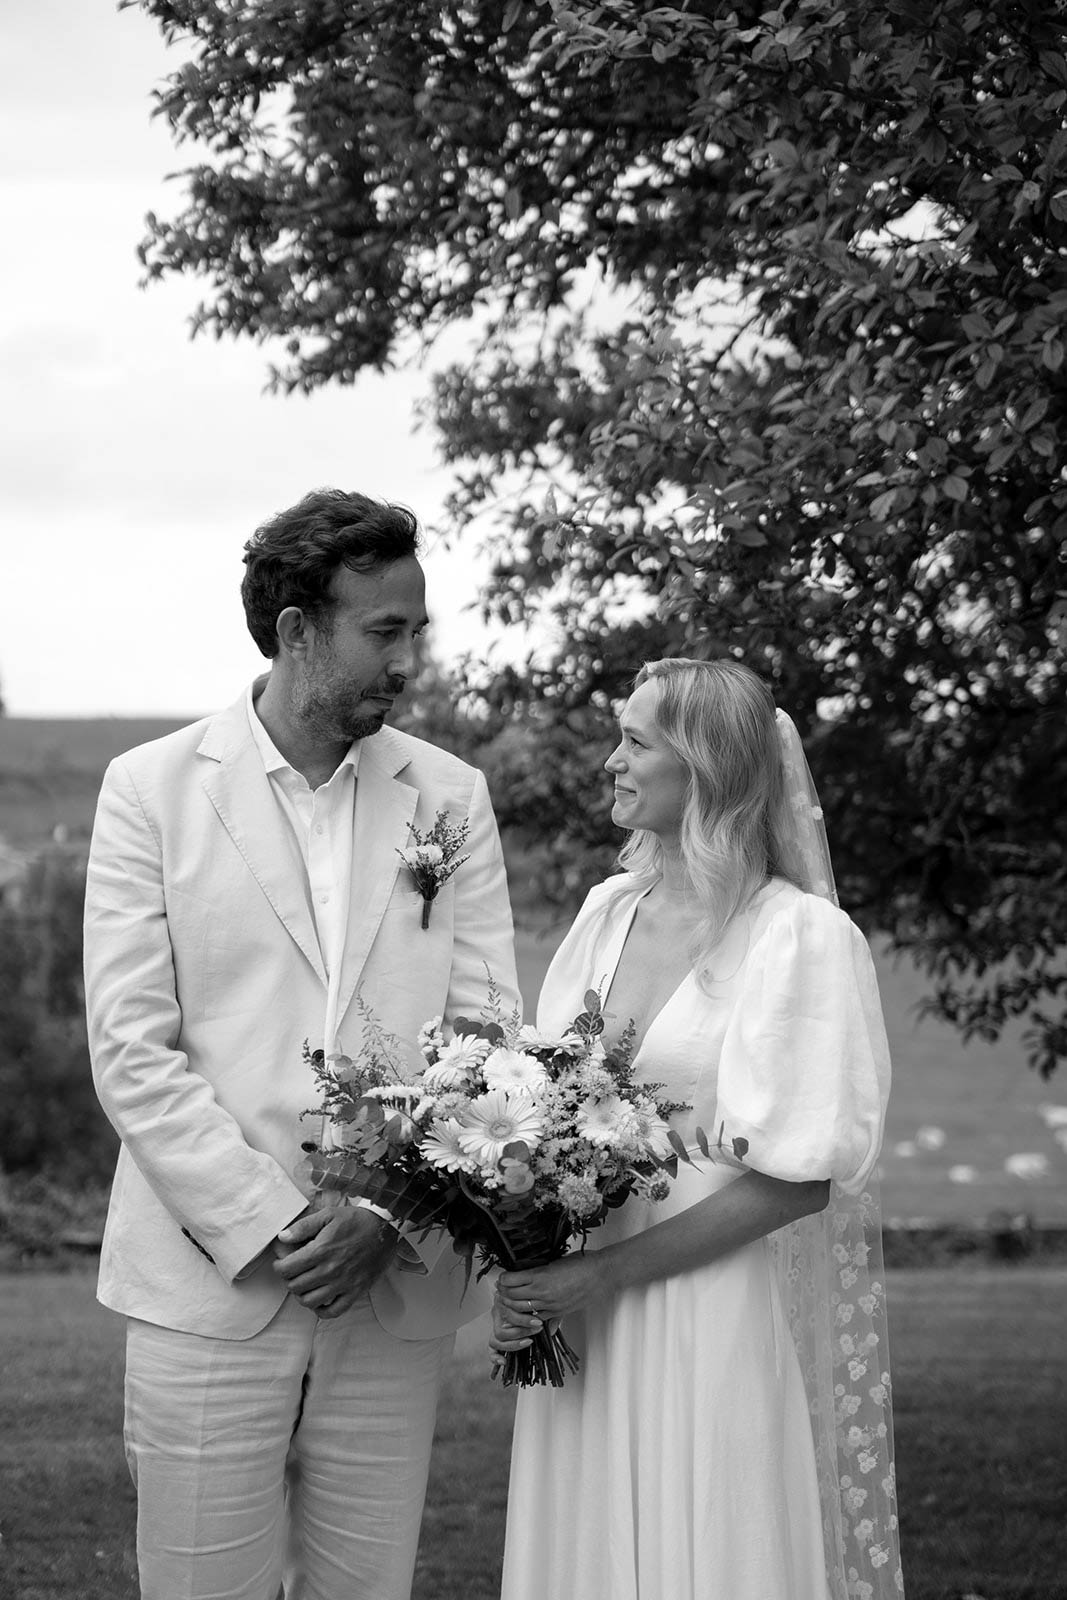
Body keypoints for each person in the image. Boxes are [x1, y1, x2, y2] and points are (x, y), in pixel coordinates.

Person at [84, 488, 519, 1600]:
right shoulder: (149, 791)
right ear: (296, 630)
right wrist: (273, 1224)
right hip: (208, 1285)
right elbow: (133, 1050)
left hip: (391, 1282)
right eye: (385, 631)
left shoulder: (451, 798)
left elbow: (485, 1035)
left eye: (416, 631)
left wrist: (384, 1211)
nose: (409, 661)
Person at [493, 657, 904, 1600]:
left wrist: (600, 1274)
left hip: (702, 1302)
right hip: (580, 1301)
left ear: (706, 768)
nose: (610, 761)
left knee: (708, 1543)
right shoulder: (606, 912)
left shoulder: (796, 936)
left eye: (634, 742)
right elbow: (546, 1110)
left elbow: (799, 1181)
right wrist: (528, 1262)